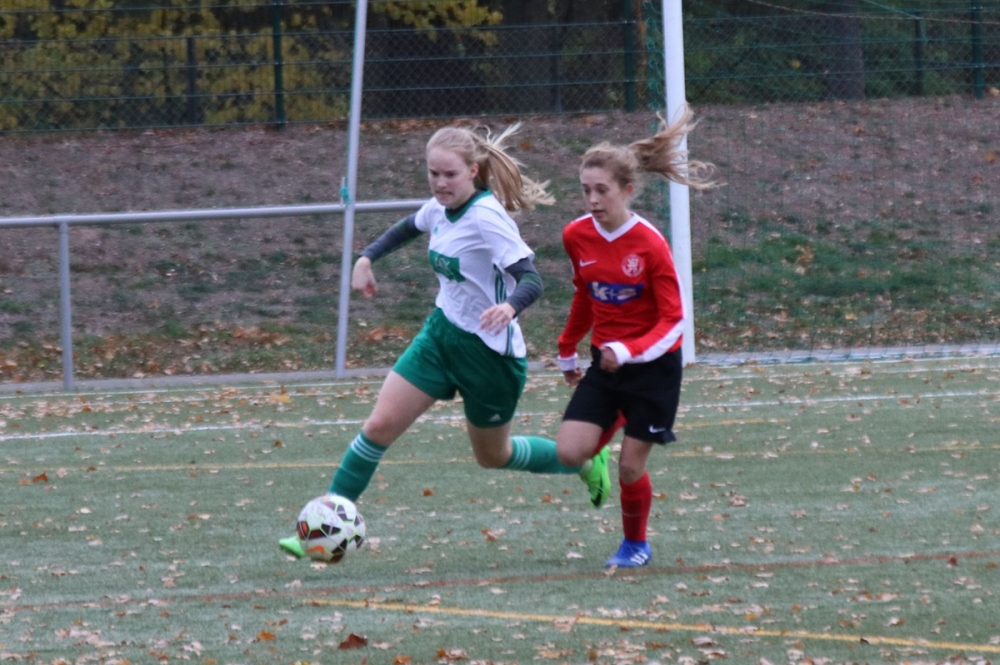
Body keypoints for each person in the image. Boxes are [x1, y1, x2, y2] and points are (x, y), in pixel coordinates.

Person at [279, 123, 611, 558]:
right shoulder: (439, 207)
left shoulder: (487, 216)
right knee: (378, 426)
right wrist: (366, 257)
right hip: (439, 337)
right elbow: (408, 226)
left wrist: (509, 307)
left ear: (473, 171)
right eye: (433, 173)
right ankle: (319, 530)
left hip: (489, 356)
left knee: (493, 456)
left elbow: (531, 279)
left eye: (449, 174)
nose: (439, 183)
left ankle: (584, 461)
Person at [554, 107, 717, 568]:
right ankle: (605, 439)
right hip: (606, 364)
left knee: (630, 466)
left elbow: (674, 320)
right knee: (570, 452)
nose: (592, 200)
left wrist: (628, 349)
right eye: (585, 190)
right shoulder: (576, 236)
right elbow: (584, 294)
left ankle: (635, 545)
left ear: (627, 190)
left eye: (601, 190)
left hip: (653, 368)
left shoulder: (650, 243)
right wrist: (567, 347)